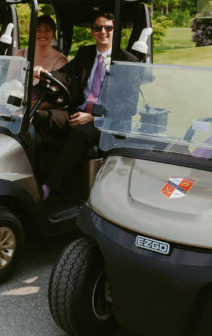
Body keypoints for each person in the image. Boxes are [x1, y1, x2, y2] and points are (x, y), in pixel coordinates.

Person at [33, 12, 137, 198]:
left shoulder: (128, 61)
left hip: (108, 122)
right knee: (38, 117)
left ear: (115, 30)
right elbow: (64, 74)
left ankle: (51, 186)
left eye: (108, 28)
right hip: (78, 113)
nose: (102, 31)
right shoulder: (86, 53)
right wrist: (45, 74)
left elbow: (129, 106)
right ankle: (33, 174)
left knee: (81, 133)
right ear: (92, 32)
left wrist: (94, 117)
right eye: (98, 28)